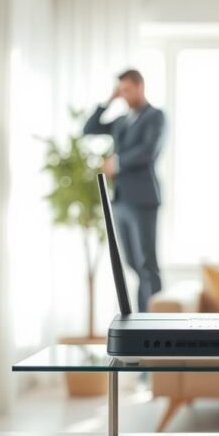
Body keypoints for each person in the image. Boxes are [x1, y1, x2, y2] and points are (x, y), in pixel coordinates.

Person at [84, 69, 166, 311]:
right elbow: (89, 129)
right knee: (132, 264)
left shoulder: (155, 116)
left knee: (147, 265)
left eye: (127, 90)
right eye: (121, 90)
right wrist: (109, 100)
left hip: (143, 199)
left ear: (141, 86)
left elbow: (149, 151)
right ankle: (142, 319)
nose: (124, 95)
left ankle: (155, 322)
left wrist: (117, 163)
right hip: (121, 200)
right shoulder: (122, 121)